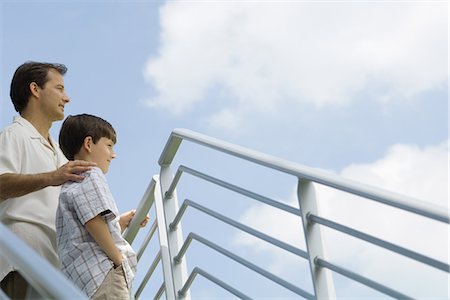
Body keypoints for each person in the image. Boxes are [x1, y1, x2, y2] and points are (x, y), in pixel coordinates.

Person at [0, 61, 96, 299]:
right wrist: (51, 177)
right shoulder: (14, 136)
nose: (67, 98)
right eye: (60, 88)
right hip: (22, 264)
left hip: (57, 271)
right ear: (35, 89)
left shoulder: (59, 152)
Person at [56, 114, 145, 299]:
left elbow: (88, 232)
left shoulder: (69, 185)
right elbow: (93, 221)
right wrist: (118, 260)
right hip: (104, 273)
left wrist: (121, 222)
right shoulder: (91, 173)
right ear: (88, 143)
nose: (113, 154)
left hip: (83, 282)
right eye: (109, 145)